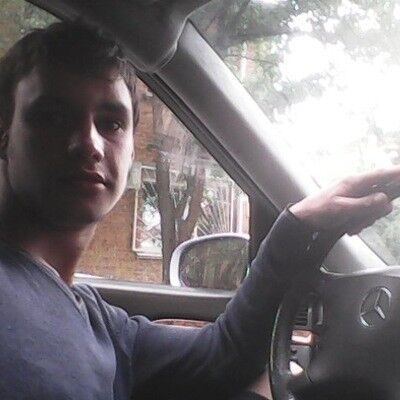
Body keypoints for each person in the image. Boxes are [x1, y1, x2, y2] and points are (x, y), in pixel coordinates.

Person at [0, 21, 397, 400]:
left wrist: (299, 225)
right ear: (4, 136)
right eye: (52, 117)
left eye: (111, 124)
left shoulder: (99, 322)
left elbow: (222, 353)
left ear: (132, 150)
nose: (89, 143)